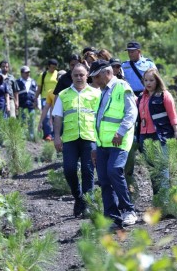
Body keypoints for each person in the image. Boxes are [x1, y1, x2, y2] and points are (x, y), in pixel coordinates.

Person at [89, 60, 138, 228]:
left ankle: (128, 210)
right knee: (103, 178)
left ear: (106, 73)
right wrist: (95, 147)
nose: (94, 81)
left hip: (119, 141)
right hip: (102, 143)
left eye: (96, 77)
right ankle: (111, 217)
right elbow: (98, 122)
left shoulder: (122, 87)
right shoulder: (101, 92)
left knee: (114, 171)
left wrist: (121, 132)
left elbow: (132, 113)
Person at [53, 63, 101, 217]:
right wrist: (56, 137)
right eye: (76, 75)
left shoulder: (96, 94)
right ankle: (78, 197)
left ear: (87, 76)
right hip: (70, 139)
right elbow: (58, 117)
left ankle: (88, 204)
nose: (79, 78)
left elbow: (101, 117)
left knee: (88, 171)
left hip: (90, 137)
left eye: (82, 75)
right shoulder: (63, 94)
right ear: (71, 76)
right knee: (69, 169)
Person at [137, 68, 177, 193]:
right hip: (144, 137)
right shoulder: (141, 97)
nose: (148, 83)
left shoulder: (164, 95)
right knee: (152, 170)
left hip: (161, 136)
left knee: (162, 169)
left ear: (157, 80)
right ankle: (157, 200)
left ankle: (165, 202)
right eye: (146, 80)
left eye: (151, 80)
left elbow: (172, 115)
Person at [38, 70, 66, 136]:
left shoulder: (73, 92)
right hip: (57, 119)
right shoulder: (51, 92)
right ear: (56, 79)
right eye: (59, 79)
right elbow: (46, 108)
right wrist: (40, 122)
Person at [35, 59, 58, 140]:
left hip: (55, 97)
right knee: (46, 116)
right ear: (48, 66)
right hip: (45, 97)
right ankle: (47, 134)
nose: (53, 69)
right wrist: (35, 98)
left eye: (54, 68)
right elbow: (39, 88)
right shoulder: (43, 75)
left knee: (54, 116)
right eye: (51, 67)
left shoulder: (57, 74)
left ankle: (53, 134)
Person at [17, 66, 37, 139]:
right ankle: (22, 136)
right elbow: (15, 93)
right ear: (22, 73)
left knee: (31, 120)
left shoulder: (33, 82)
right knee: (22, 120)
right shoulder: (18, 82)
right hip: (21, 104)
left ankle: (31, 137)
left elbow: (37, 93)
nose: (28, 74)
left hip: (31, 104)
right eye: (26, 72)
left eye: (28, 72)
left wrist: (37, 103)